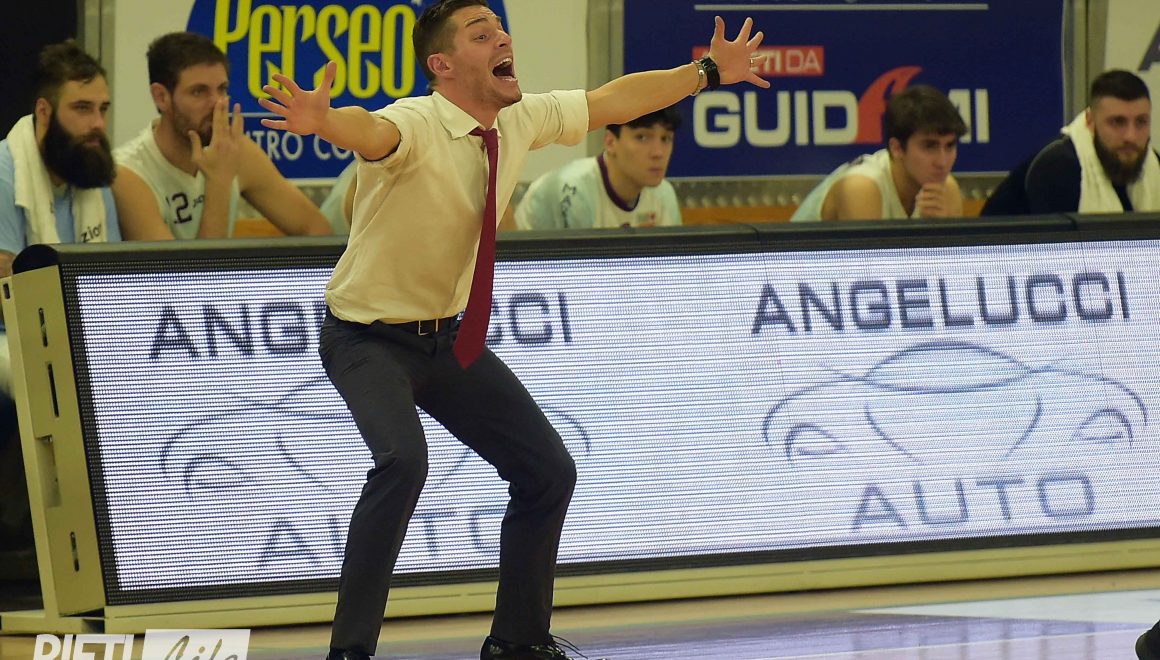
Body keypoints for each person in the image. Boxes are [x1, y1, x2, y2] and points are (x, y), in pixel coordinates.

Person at [257, 1, 767, 658]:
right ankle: (349, 651)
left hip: (447, 341)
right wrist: (325, 122)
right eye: (481, 34)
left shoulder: (519, 117)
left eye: (500, 29)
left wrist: (706, 73)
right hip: (367, 338)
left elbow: (613, 100)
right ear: (443, 65)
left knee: (547, 471)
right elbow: (371, 131)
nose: (502, 38)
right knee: (403, 462)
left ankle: (517, 644)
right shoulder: (416, 121)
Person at [0, 39, 123, 555]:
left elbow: (106, 279)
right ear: (45, 112)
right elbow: (6, 287)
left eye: (103, 110)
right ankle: (44, 543)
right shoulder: (6, 171)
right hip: (10, 330)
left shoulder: (91, 178)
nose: (97, 125)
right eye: (82, 109)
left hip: (67, 324)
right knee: (46, 376)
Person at [112, 31, 331, 240]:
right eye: (199, 91)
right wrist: (219, 182)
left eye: (222, 89)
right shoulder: (129, 174)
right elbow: (192, 268)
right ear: (161, 97)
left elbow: (317, 230)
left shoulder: (233, 150)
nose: (217, 103)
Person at [983, 69, 1158, 215]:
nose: (1131, 136)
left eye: (1141, 122)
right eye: (1117, 122)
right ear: (1090, 121)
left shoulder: (1154, 165)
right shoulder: (1058, 167)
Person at [791, 85, 967, 221]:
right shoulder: (861, 187)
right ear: (897, 148)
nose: (942, 162)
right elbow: (868, 259)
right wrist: (932, 231)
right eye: (929, 146)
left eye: (950, 146)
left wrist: (941, 228)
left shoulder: (947, 190)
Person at [515, 105, 683, 229]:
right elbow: (574, 265)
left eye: (666, 139)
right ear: (610, 142)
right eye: (642, 137)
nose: (658, 153)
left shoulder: (664, 194)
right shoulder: (572, 191)